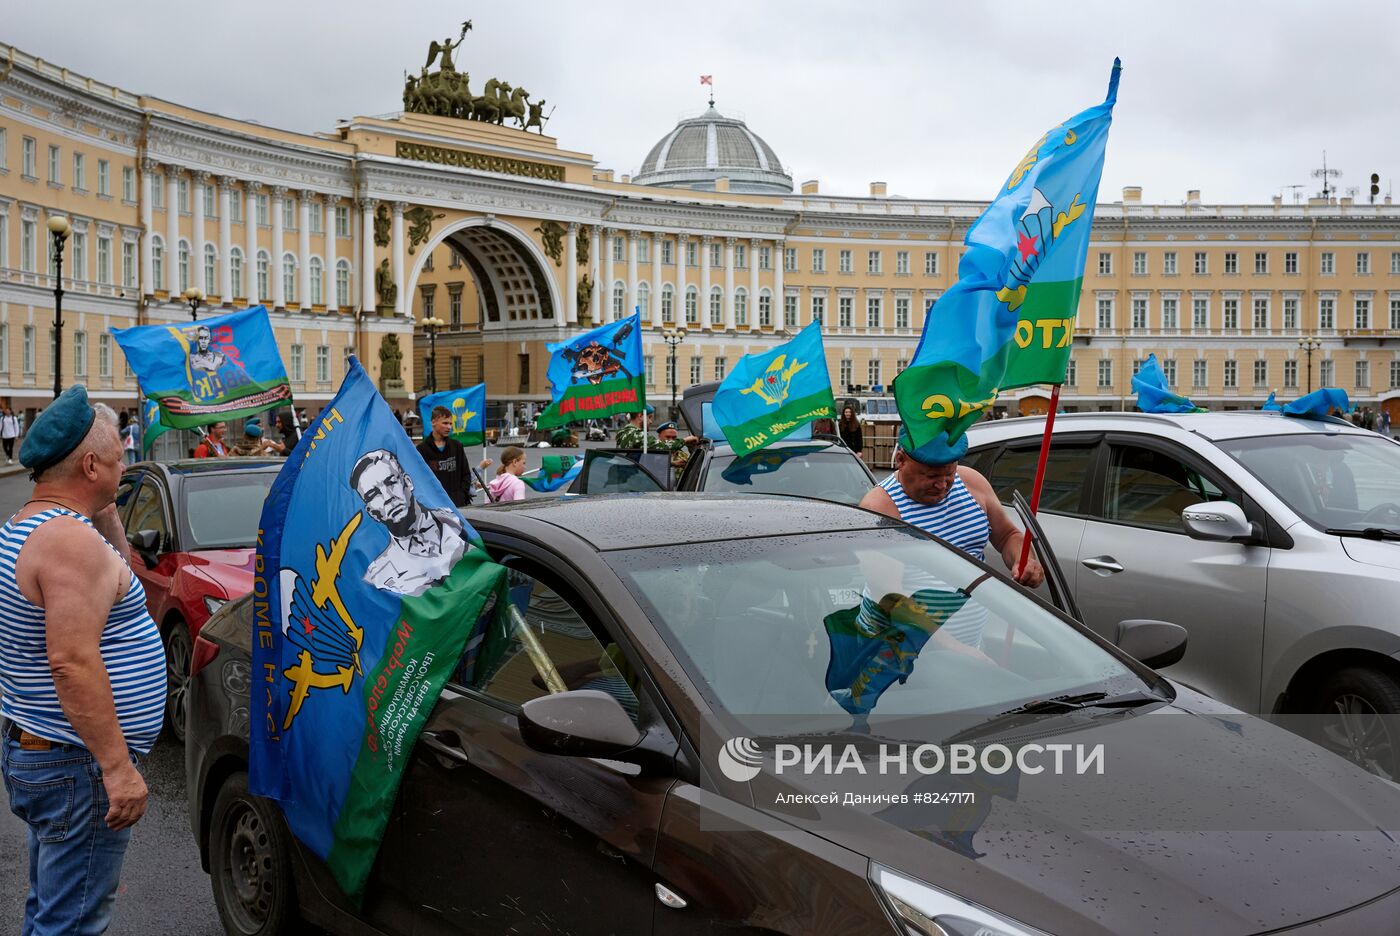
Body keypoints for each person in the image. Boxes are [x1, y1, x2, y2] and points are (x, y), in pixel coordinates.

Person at [1, 385, 164, 935]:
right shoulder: (68, 543)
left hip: (51, 753)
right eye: (119, 460)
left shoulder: (36, 525)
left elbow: (119, 574)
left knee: (51, 909)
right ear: (90, 464)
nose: (126, 468)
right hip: (79, 765)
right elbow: (71, 660)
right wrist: (118, 770)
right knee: (70, 924)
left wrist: (106, 510)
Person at [859, 428, 1044, 588]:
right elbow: (887, 596)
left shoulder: (972, 482)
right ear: (901, 460)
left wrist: (1024, 560)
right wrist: (939, 631)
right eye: (932, 476)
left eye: (949, 473)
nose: (942, 485)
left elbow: (1007, 537)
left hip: (973, 629)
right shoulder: (880, 507)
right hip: (907, 629)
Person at [351, 449, 466, 597]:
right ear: (372, 512)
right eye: (374, 494)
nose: (388, 497)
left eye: (391, 482)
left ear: (408, 482)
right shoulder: (378, 577)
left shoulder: (456, 523)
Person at [416, 405, 474, 508]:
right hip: (435, 506)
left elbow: (466, 474)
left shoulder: (457, 446)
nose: (449, 427)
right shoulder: (422, 449)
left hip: (458, 505)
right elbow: (420, 479)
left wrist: (461, 496)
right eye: (445, 423)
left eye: (450, 424)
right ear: (434, 422)